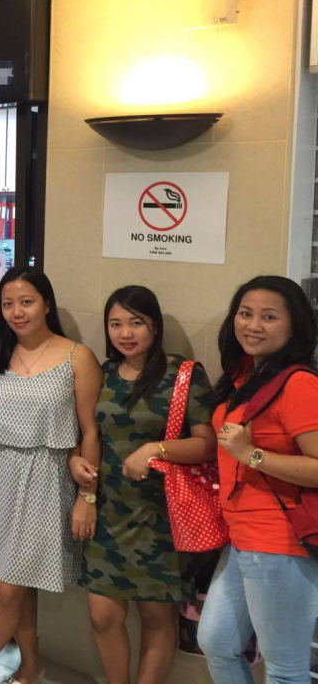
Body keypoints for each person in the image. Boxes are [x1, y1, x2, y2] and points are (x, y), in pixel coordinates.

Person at [0, 267, 101, 684]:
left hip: (46, 481)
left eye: (27, 302)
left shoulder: (76, 356)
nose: (17, 312)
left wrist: (87, 495)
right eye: (8, 304)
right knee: (18, 583)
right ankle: (32, 665)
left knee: (8, 587)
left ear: (46, 304)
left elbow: (89, 431)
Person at [79, 286, 216, 684]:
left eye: (136, 323)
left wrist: (156, 449)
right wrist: (78, 468)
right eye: (115, 324)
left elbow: (207, 444)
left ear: (154, 325)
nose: (125, 333)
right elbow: (87, 432)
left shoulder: (184, 374)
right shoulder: (104, 373)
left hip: (162, 516)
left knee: (157, 617)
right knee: (102, 615)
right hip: (107, 513)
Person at [197, 276, 318, 684]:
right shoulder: (248, 375)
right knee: (216, 643)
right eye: (245, 314)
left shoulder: (299, 384)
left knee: (284, 670)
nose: (253, 325)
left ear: (295, 325)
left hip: (279, 541)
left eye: (269, 317)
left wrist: (252, 455)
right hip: (242, 536)